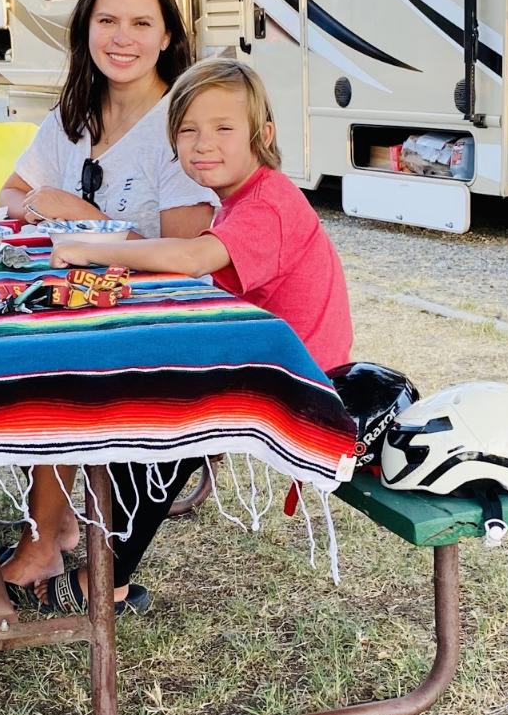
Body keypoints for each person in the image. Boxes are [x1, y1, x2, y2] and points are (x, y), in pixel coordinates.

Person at [42, 57, 353, 611]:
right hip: (270, 359)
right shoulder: (244, 200)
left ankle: (103, 580)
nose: (202, 143)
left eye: (223, 128)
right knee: (138, 390)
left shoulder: (271, 203)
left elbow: (190, 257)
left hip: (299, 380)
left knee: (164, 418)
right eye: (187, 130)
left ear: (264, 134)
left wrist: (91, 246)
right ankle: (82, 541)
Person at [0, 0, 215, 605]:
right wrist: (47, 201)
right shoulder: (74, 115)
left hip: (157, 321)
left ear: (166, 36)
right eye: (106, 20)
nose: (120, 37)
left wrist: (91, 222)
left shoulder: (181, 126)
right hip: (79, 305)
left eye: (139, 22)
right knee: (8, 342)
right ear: (85, 29)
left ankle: (68, 552)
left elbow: (188, 254)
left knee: (58, 361)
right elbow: (11, 196)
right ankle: (51, 531)